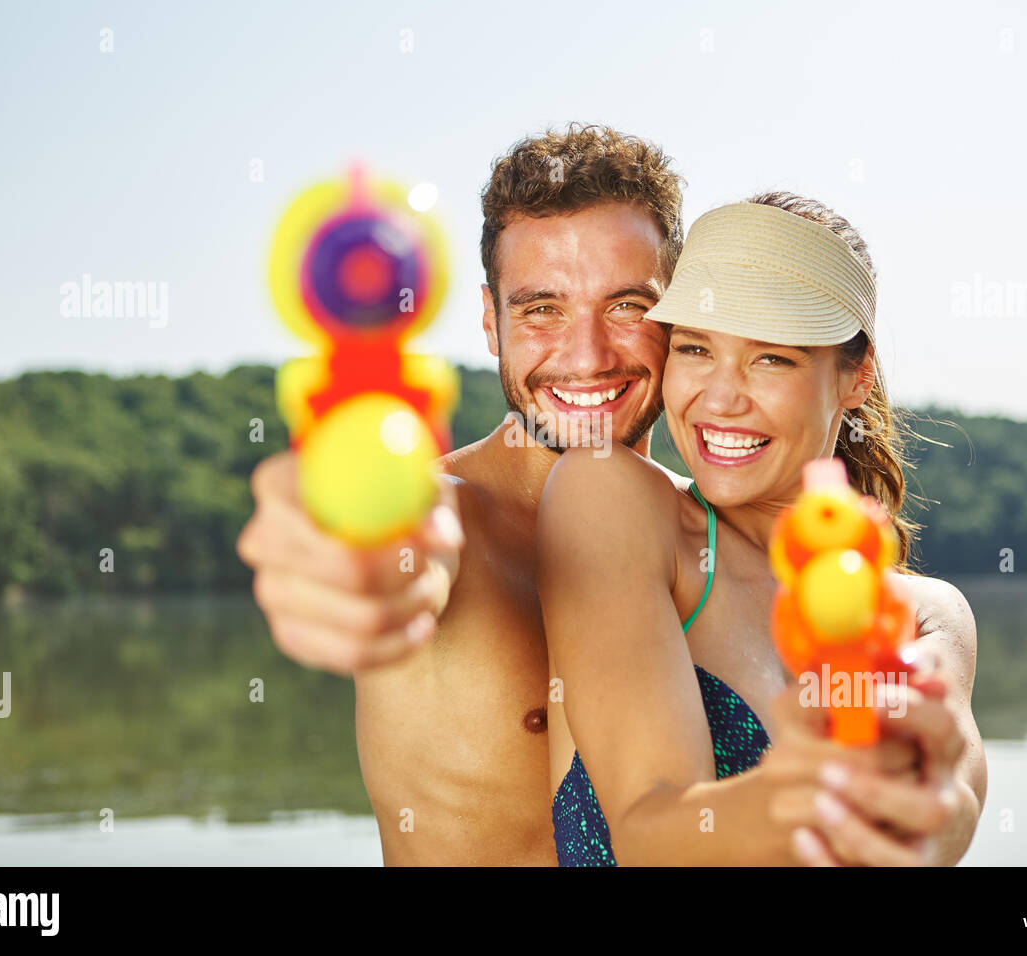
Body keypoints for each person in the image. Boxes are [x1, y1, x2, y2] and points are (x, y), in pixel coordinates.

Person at [236, 124, 986, 865]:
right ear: (491, 322)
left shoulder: (690, 541)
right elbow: (395, 542)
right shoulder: (449, 515)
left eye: (627, 307)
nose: (588, 356)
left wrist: (919, 799)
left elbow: (945, 801)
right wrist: (348, 538)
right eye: (542, 310)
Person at [541, 193, 985, 865]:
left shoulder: (926, 617)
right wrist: (804, 792)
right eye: (694, 348)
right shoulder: (613, 501)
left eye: (771, 358)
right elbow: (645, 832)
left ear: (855, 376)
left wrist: (924, 804)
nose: (720, 399)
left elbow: (951, 816)